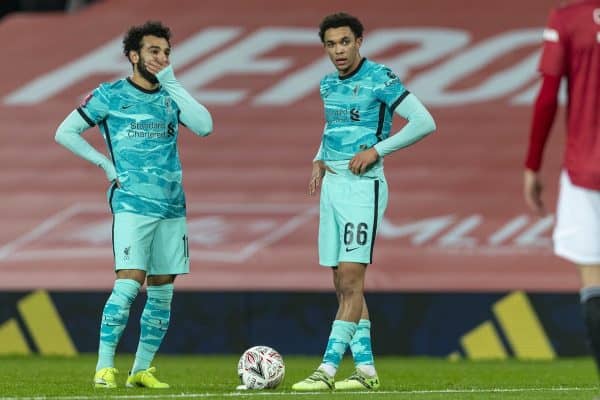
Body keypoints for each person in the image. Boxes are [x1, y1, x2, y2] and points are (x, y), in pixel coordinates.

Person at [54, 21, 213, 389]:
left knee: (162, 291)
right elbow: (64, 132)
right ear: (133, 55)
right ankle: (104, 367)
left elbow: (205, 127)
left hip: (172, 206)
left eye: (167, 52)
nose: (161, 57)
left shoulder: (171, 96)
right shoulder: (109, 95)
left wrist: (172, 81)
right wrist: (106, 166)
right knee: (128, 285)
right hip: (132, 204)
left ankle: (140, 369)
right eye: (154, 51)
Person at [291, 12, 436, 392]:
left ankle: (326, 369)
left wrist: (377, 150)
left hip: (362, 187)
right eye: (330, 44)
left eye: (344, 42)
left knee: (353, 280)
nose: (338, 50)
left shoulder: (380, 78)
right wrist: (318, 158)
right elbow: (333, 125)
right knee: (341, 282)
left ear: (359, 41)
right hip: (333, 187)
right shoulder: (326, 84)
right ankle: (367, 370)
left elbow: (423, 121)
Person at [524, 0, 600, 377]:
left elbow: (547, 96)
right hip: (585, 168)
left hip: (587, 168)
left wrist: (532, 164)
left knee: (593, 279)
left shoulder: (568, 18)